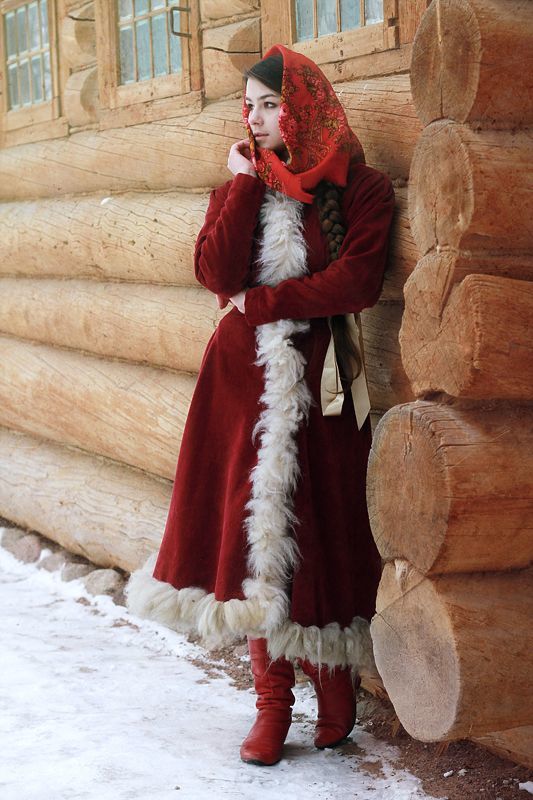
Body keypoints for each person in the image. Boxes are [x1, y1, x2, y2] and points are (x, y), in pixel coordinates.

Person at [126, 43, 395, 767]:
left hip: (321, 385)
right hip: (239, 386)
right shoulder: (239, 187)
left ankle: (333, 684)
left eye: (269, 103)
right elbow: (214, 273)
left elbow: (355, 283)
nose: (254, 116)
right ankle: (271, 705)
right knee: (251, 543)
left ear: (304, 105)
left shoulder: (361, 189)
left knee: (319, 531)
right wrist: (245, 189)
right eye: (247, 105)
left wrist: (264, 300)